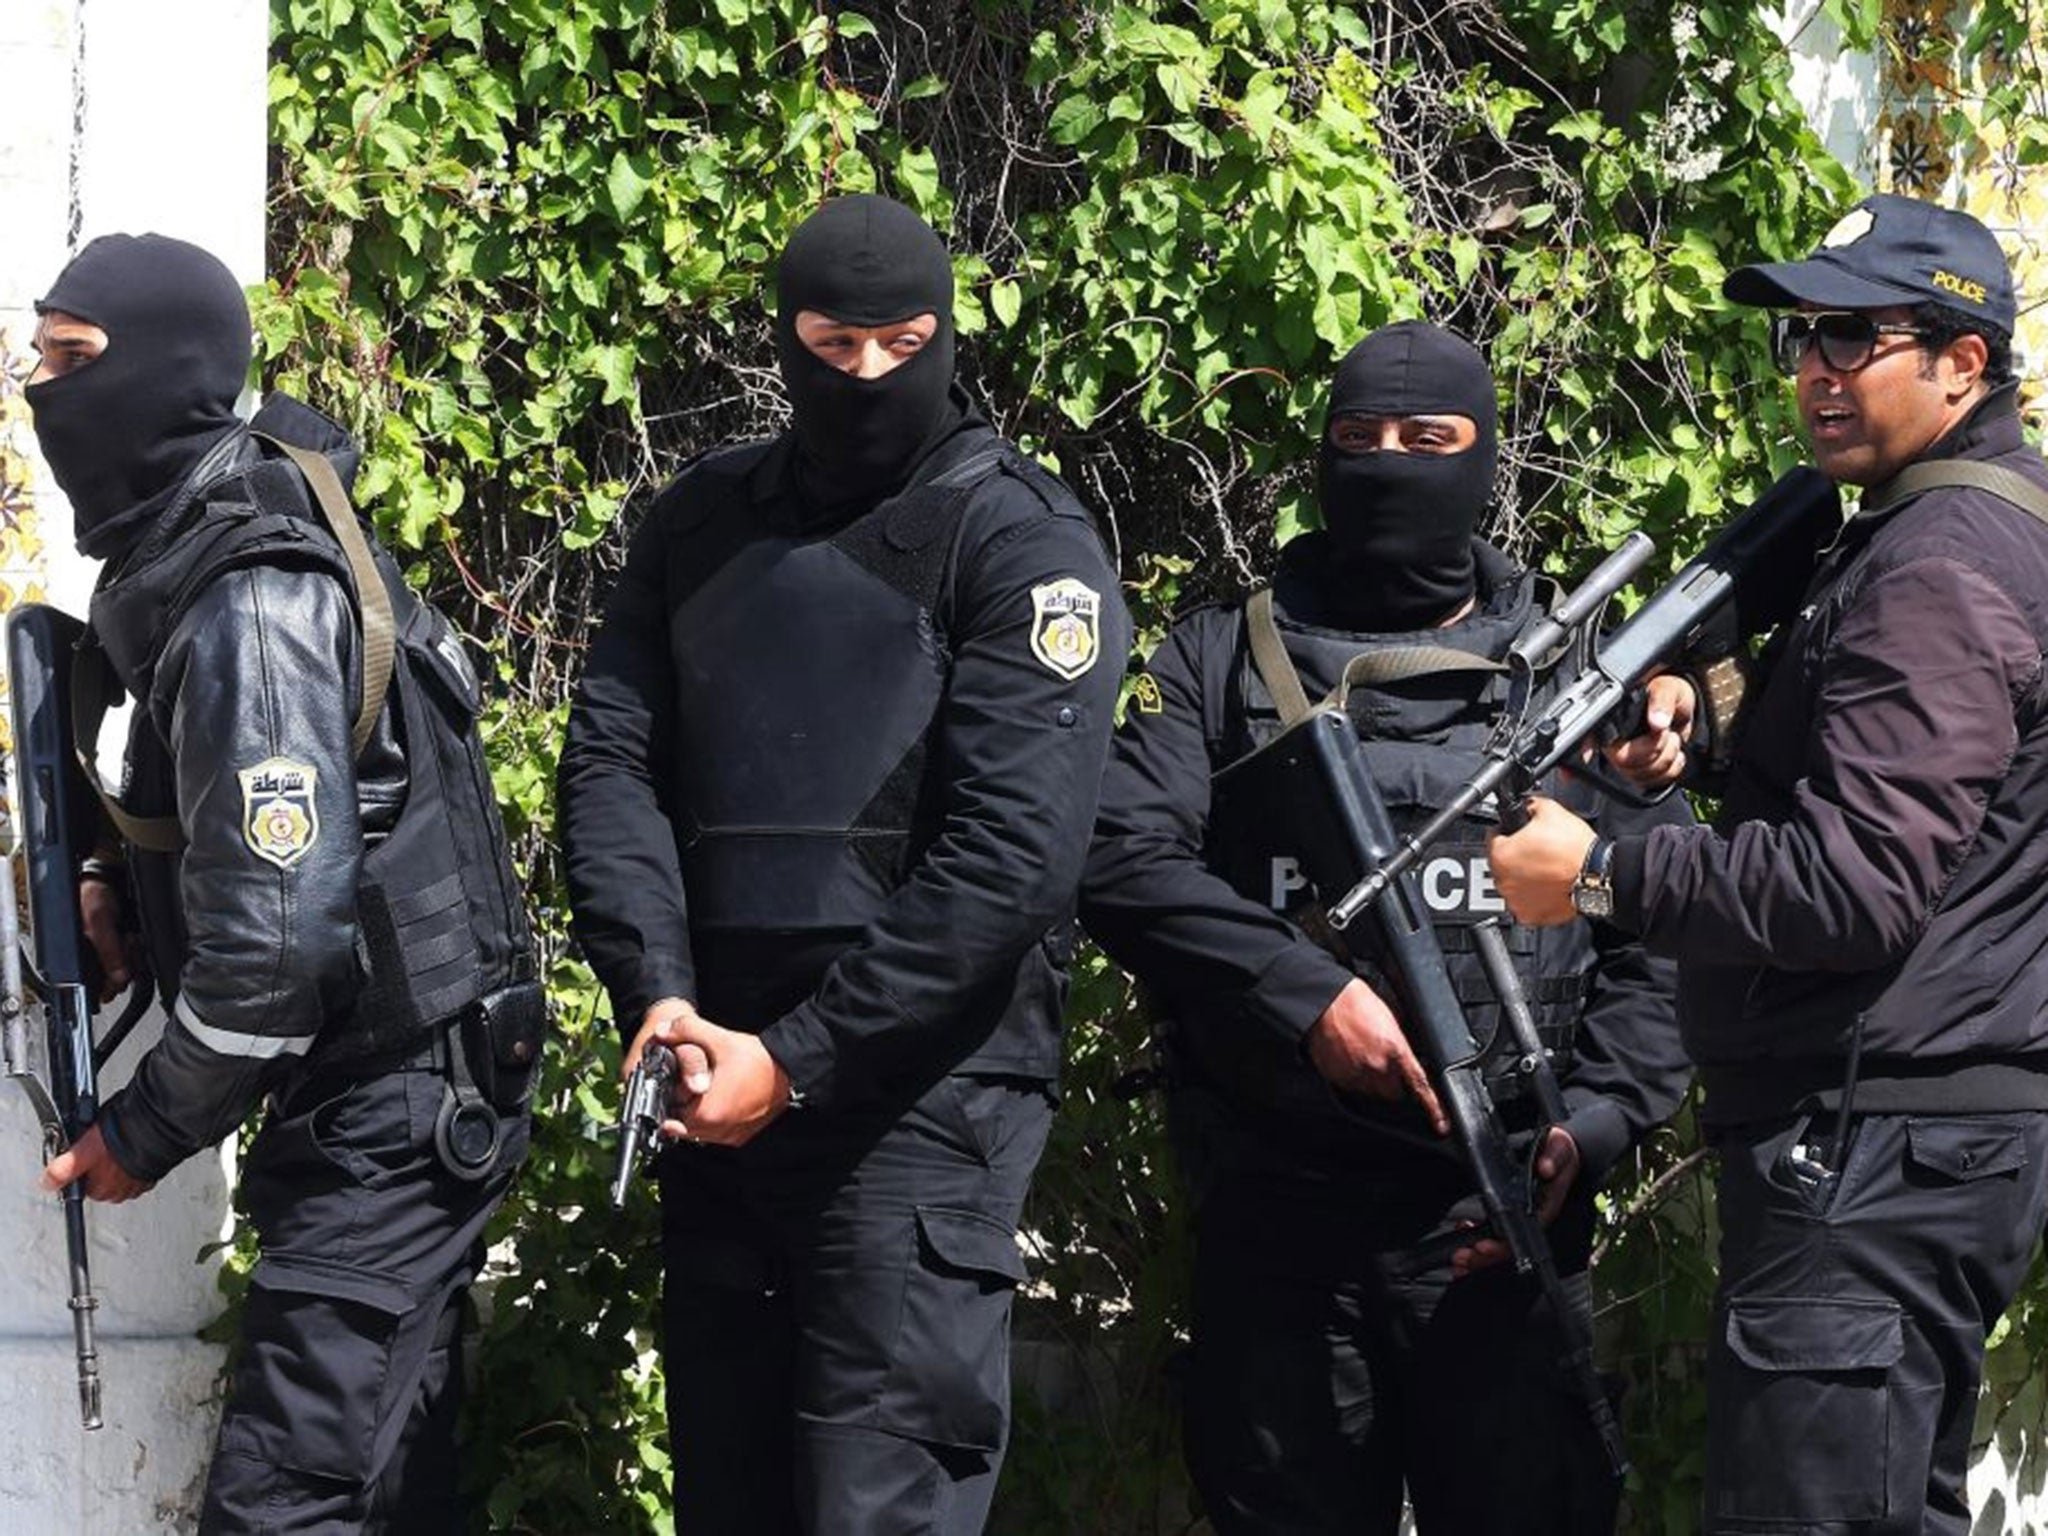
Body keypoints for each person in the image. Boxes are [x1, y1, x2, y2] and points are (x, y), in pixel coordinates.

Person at [558, 193, 1129, 1535]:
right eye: (832, 342)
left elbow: (1012, 860)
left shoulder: (1018, 541)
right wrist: (658, 989)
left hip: (913, 1113)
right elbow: (614, 767)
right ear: (783, 341)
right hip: (714, 1076)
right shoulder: (703, 525)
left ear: (943, 336)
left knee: (883, 1509)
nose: (866, 375)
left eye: (900, 341)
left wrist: (800, 1060)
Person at [1489, 193, 2048, 1534]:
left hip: (1872, 1141)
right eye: (1803, 335)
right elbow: (1914, 768)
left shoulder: (1937, 569)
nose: (1814, 369)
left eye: (1853, 335)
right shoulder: (1955, 533)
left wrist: (1607, 875)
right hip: (1909, 1134)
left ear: (1961, 363)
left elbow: (1858, 884)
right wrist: (1717, 715)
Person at [1078, 320, 1691, 1535]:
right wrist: (1303, 998)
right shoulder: (1222, 657)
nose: (1388, 464)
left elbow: (1656, 934)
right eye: (1355, 440)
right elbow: (1112, 856)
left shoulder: (1572, 679)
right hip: (1281, 1230)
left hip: (1501, 1229)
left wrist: (1602, 1120)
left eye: (1427, 441)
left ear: (1483, 459)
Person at [27, 233, 544, 1532]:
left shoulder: (250, 596)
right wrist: (114, 879)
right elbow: (214, 798)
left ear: (164, 374)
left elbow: (279, 951)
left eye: (69, 359)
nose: (39, 388)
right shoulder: (206, 546)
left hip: (396, 1106)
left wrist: (140, 1133)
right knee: (383, 1496)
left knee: (283, 1507)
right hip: (382, 1090)